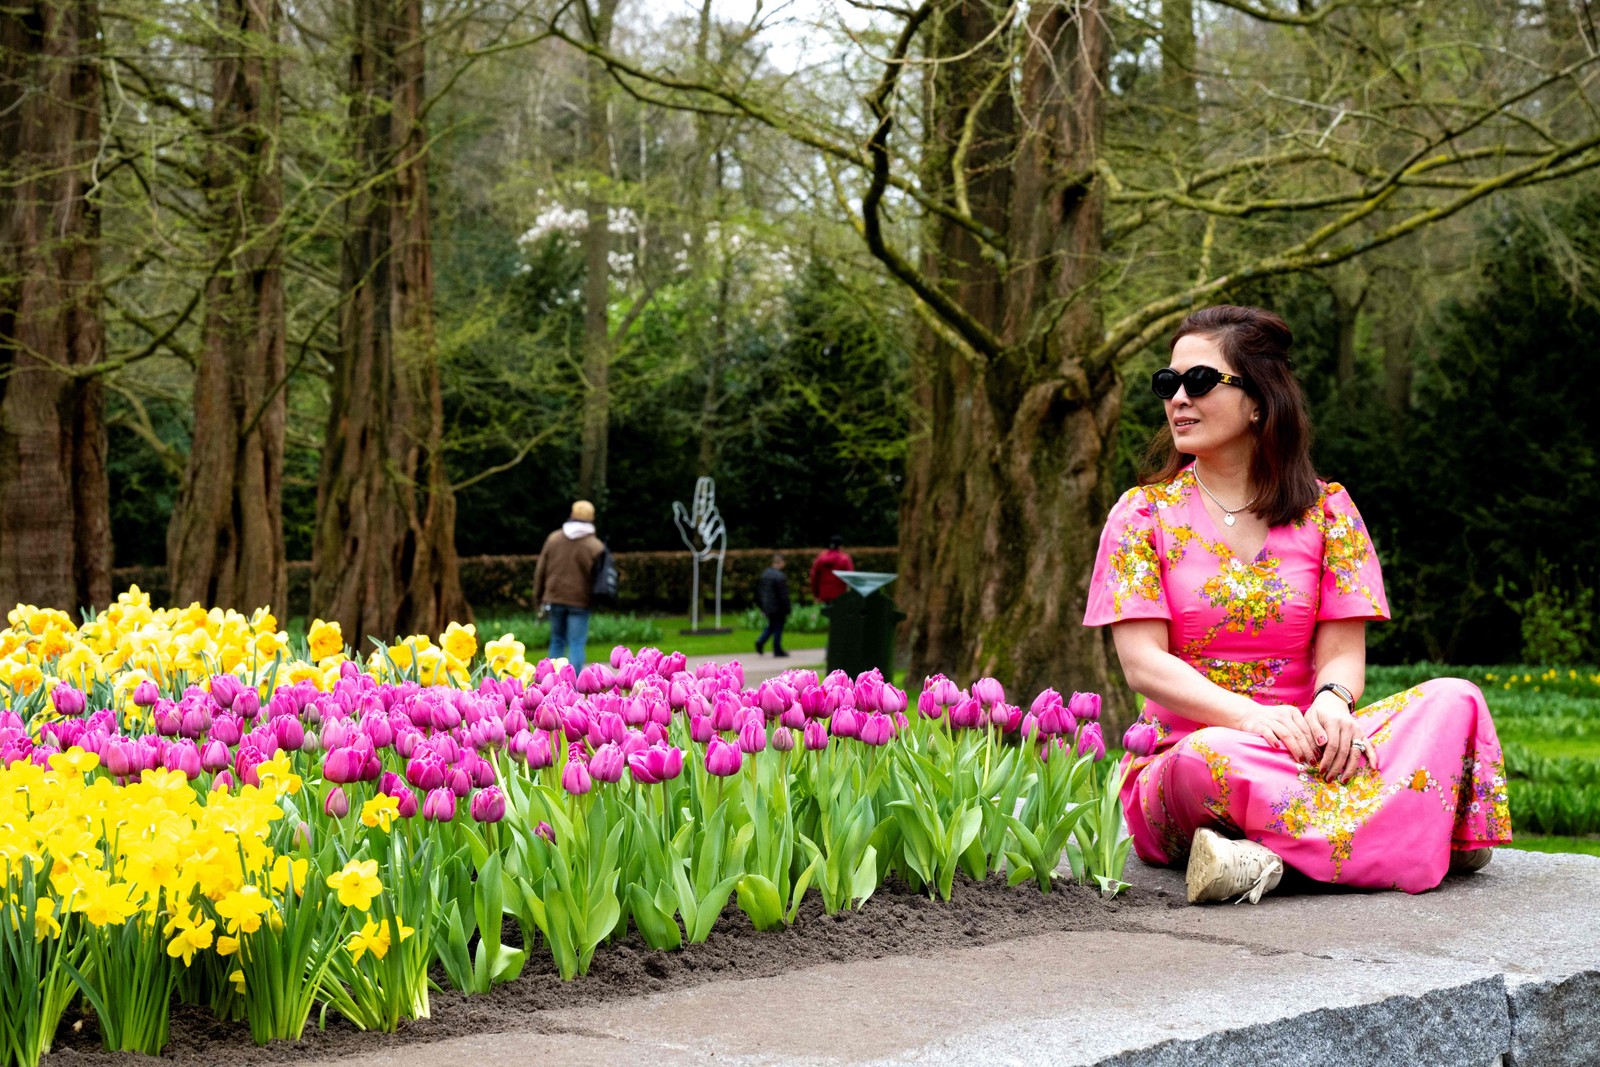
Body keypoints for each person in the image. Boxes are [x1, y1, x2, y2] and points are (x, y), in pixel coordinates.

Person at [1084, 305, 1510, 905]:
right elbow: (1143, 665)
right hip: (1194, 758)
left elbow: (1340, 654)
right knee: (1210, 757)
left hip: (1313, 751)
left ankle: (1263, 860)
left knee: (1454, 698)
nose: (1177, 398)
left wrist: (1334, 705)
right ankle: (1419, 832)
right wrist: (1251, 718)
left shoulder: (1330, 511)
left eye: (1199, 381)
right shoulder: (1140, 516)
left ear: (1259, 399)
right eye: (1167, 383)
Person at [532, 500, 606, 670]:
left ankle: (552, 684)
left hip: (554, 597)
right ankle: (573, 687)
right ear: (592, 519)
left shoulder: (554, 539)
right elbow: (600, 580)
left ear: (572, 515)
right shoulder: (595, 546)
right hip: (580, 601)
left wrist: (537, 597)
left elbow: (540, 572)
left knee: (557, 641)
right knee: (576, 644)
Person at [755, 553, 791, 657]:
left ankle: (761, 641)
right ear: (781, 562)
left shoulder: (765, 574)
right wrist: (787, 608)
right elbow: (783, 595)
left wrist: (762, 606)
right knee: (778, 627)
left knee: (771, 626)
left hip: (768, 606)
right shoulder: (780, 576)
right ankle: (777, 649)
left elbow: (760, 592)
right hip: (778, 607)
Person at [810, 535, 854, 603]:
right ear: (840, 546)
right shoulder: (844, 559)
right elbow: (851, 578)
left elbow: (814, 577)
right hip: (840, 595)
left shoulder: (820, 558)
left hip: (824, 594)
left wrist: (816, 594)